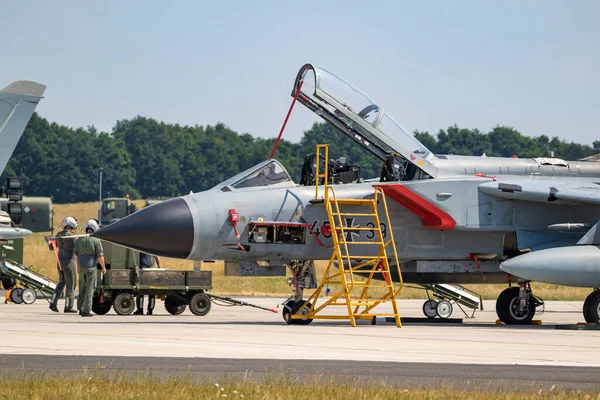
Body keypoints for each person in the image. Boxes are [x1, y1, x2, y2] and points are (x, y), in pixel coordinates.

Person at [73, 219, 106, 317]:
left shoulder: (79, 239)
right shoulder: (96, 240)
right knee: (90, 289)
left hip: (81, 267)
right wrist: (103, 268)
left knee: (82, 288)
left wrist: (77, 267)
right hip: (91, 267)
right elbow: (100, 256)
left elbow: (75, 255)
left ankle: (80, 307)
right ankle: (86, 310)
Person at [49, 217, 78, 313]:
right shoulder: (73, 236)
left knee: (61, 283)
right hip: (69, 261)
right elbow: (78, 248)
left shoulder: (58, 235)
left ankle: (53, 303)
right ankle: (68, 307)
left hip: (60, 261)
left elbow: (51, 247)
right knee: (71, 284)